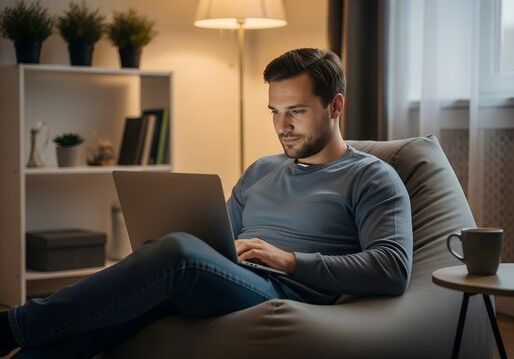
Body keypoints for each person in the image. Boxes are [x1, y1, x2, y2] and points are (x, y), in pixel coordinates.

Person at [0, 48, 412, 358]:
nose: (282, 127)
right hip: (229, 278)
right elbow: (216, 237)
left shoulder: (372, 177)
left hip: (286, 292)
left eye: (296, 112)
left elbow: (393, 267)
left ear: (335, 105)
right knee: (104, 321)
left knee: (178, 251)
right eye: (275, 111)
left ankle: (10, 325)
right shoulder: (262, 169)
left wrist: (289, 260)